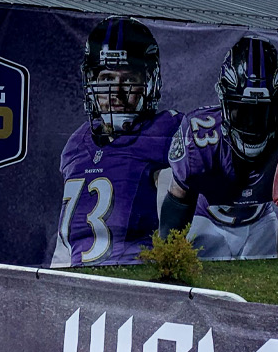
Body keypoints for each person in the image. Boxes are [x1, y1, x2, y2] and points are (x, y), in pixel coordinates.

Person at [161, 34, 278, 260]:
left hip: (261, 221)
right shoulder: (200, 136)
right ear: (224, 102)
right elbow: (178, 197)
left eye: (263, 113)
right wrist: (167, 255)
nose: (252, 124)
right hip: (207, 220)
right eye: (243, 111)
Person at [49, 17, 182, 267]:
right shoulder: (76, 145)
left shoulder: (167, 131)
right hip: (82, 281)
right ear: (91, 83)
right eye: (107, 79)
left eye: (129, 79)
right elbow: (65, 243)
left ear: (149, 83)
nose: (117, 93)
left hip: (135, 282)